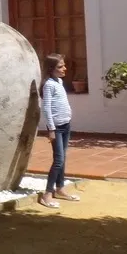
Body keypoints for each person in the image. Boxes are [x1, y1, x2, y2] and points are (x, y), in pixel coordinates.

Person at [39, 52, 79, 208]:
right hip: (56, 128)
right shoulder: (49, 84)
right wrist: (51, 129)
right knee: (58, 160)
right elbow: (47, 108)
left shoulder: (59, 82)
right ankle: (47, 194)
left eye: (64, 65)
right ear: (51, 69)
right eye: (60, 66)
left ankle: (60, 188)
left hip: (66, 125)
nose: (64, 68)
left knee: (63, 160)